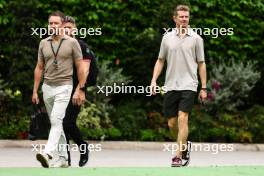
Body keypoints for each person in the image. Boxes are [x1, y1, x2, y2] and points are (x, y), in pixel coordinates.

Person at [150, 5, 207, 167]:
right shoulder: (167, 38)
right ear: (174, 18)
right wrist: (154, 80)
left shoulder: (196, 39)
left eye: (186, 17)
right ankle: (184, 145)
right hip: (170, 85)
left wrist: (203, 87)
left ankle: (177, 155)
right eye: (181, 17)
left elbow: (201, 64)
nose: (184, 19)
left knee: (183, 118)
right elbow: (160, 60)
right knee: (171, 124)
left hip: (189, 84)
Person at [32, 11, 87, 168]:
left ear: (62, 25)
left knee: (56, 120)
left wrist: (80, 88)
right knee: (56, 123)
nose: (53, 26)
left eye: (56, 23)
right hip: (47, 87)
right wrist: (35, 90)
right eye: (51, 23)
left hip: (65, 86)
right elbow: (39, 67)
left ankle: (47, 153)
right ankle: (63, 159)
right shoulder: (43, 43)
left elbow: (80, 67)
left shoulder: (72, 43)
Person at [63, 16, 92, 167]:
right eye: (64, 27)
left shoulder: (81, 45)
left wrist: (80, 90)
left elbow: (85, 70)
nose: (67, 30)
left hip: (76, 89)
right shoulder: (58, 46)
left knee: (67, 123)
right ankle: (65, 159)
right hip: (60, 89)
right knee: (59, 125)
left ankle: (83, 147)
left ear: (74, 28)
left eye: (69, 27)